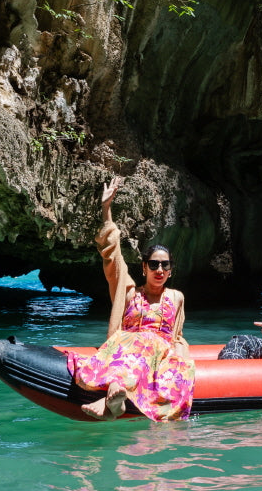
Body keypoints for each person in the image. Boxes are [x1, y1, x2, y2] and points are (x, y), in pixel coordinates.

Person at [67, 178, 195, 421]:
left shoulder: (177, 297)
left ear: (170, 270)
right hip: (126, 347)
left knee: (147, 342)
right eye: (154, 264)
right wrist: (106, 210)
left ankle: (112, 400)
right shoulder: (128, 292)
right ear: (144, 268)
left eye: (165, 265)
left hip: (159, 351)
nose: (160, 269)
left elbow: (176, 336)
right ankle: (115, 396)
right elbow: (113, 256)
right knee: (135, 341)